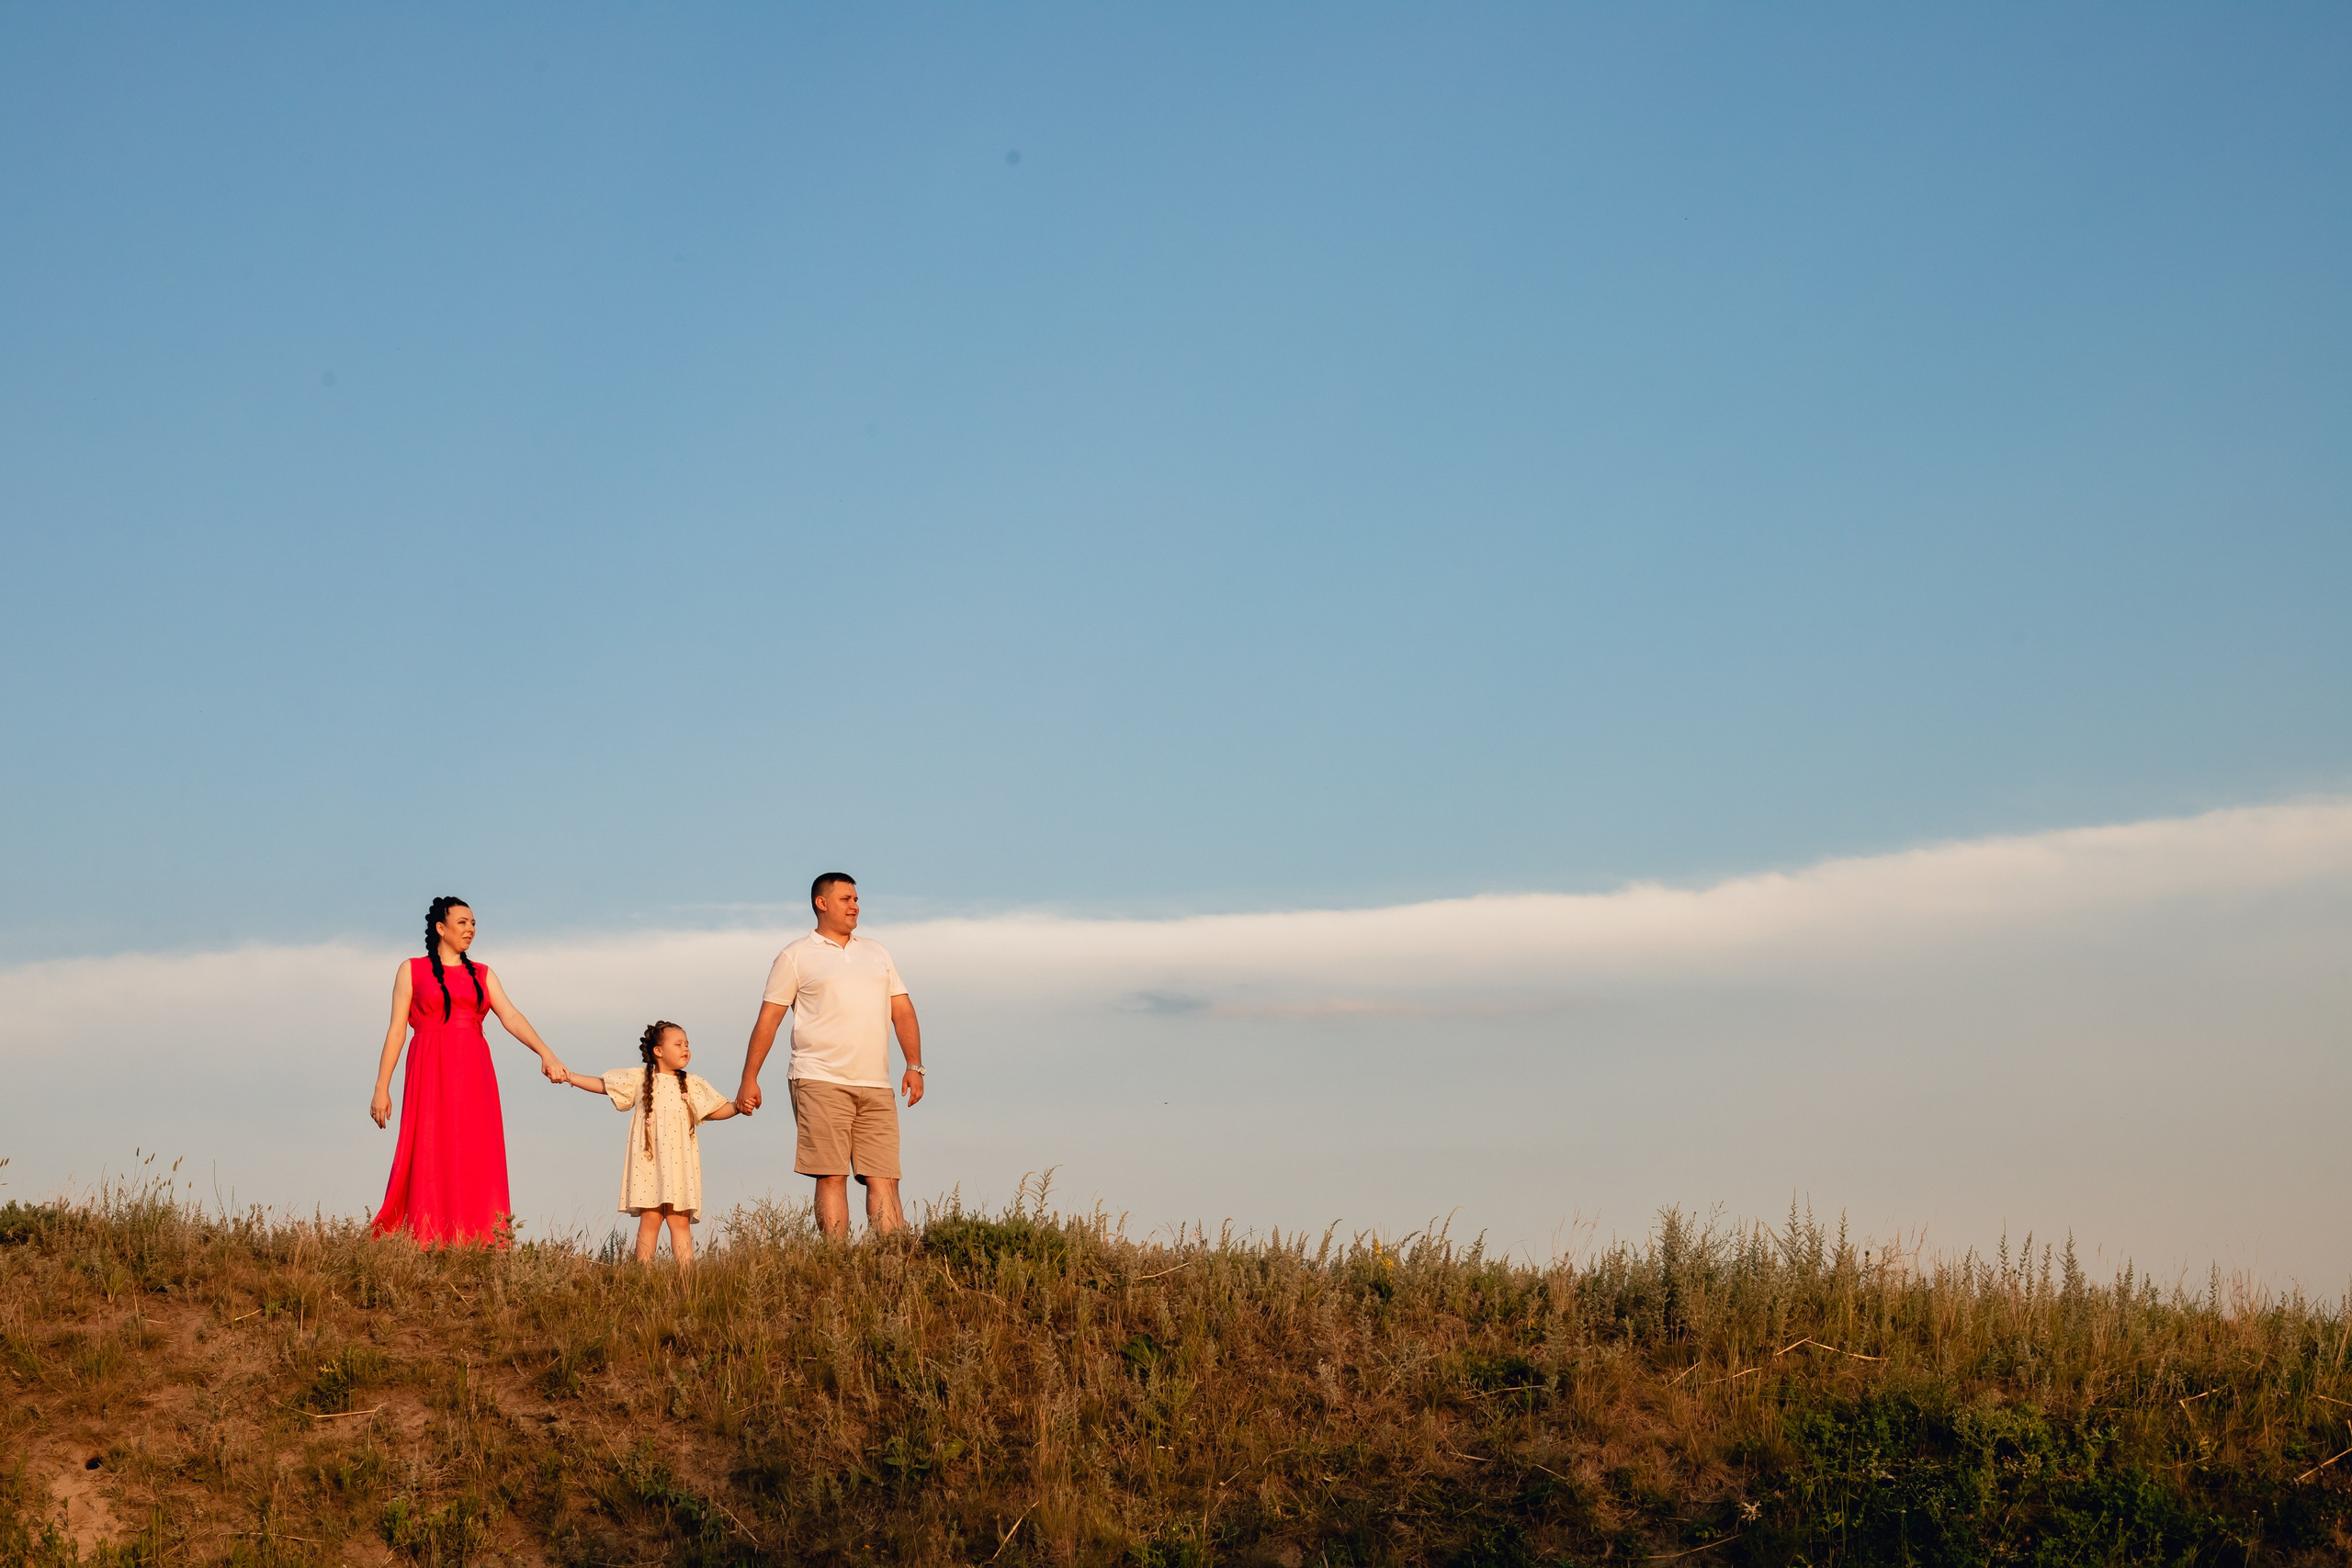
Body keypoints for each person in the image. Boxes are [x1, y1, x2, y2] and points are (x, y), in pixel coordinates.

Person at [734, 873, 925, 1238]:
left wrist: (914, 1065)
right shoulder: (795, 955)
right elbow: (768, 1020)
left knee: (884, 1176)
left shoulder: (877, 951)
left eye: (856, 899)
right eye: (846, 899)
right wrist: (749, 1078)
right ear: (822, 903)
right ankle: (836, 1263)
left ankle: (893, 1259)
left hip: (876, 1084)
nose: (855, 906)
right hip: (819, 1078)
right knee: (831, 1174)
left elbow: (902, 1011)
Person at [369, 896, 568, 1246]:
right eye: (462, 922)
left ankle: (479, 1238)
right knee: (429, 1144)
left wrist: (545, 1052)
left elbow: (510, 1016)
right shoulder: (411, 969)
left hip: (473, 1070)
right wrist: (381, 1087)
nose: (471, 929)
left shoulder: (483, 974)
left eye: (473, 923)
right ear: (441, 928)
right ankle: (426, 1234)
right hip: (429, 1065)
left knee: (476, 1148)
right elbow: (397, 1030)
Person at [562, 1021, 739, 1268]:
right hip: (648, 1162)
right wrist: (570, 1076)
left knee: (679, 1221)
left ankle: (687, 1279)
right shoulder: (638, 1078)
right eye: (678, 1044)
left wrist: (739, 1107)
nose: (685, 1048)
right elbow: (604, 1085)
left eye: (687, 1044)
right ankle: (643, 1278)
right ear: (658, 1051)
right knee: (651, 1219)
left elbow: (715, 1109)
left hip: (680, 1164)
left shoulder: (692, 1083)